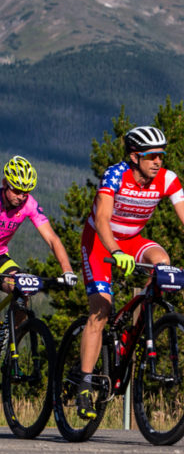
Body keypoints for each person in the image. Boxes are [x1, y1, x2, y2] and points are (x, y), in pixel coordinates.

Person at [77, 126, 184, 420]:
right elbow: (101, 219)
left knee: (163, 262)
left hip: (133, 239)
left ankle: (137, 325)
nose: (158, 161)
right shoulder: (115, 175)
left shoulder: (168, 180)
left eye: (162, 155)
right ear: (135, 156)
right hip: (101, 240)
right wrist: (115, 252)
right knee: (101, 309)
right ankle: (84, 384)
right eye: (151, 156)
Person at [0, 156, 77, 402]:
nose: (21, 196)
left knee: (24, 290)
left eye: (26, 192)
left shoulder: (28, 204)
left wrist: (67, 271)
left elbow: (52, 239)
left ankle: (6, 339)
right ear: (4, 184)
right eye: (17, 191)